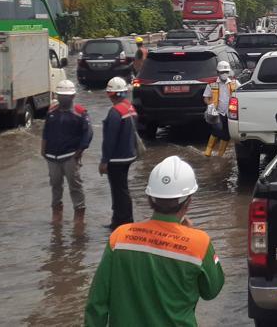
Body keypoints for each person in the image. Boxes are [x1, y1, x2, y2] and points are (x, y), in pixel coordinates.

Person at [84, 156, 225, 326]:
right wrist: (191, 234)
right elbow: (211, 290)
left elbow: (97, 303)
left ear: (150, 199)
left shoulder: (119, 238)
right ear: (188, 202)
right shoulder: (199, 243)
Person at [42, 80, 93, 223]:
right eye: (60, 95)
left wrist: (79, 151)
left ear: (73, 96)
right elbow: (46, 132)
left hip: (70, 155)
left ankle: (79, 215)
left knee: (75, 186)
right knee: (55, 185)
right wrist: (43, 150)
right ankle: (56, 214)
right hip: (52, 156)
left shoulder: (80, 113)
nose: (63, 98)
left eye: (66, 96)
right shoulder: (52, 112)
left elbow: (88, 133)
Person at [100, 76, 138, 229]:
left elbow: (110, 140)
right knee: (122, 189)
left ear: (112, 94)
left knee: (118, 191)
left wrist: (104, 161)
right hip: (129, 155)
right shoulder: (130, 108)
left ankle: (121, 222)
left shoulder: (115, 112)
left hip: (117, 159)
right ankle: (122, 219)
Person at [203, 60, 239, 157]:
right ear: (218, 72)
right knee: (217, 130)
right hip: (217, 112)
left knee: (227, 135)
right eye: (222, 72)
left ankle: (220, 155)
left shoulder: (235, 83)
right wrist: (210, 105)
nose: (224, 74)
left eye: (226, 72)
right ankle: (208, 151)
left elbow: (242, 94)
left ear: (229, 72)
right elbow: (206, 98)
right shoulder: (212, 84)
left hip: (230, 113)